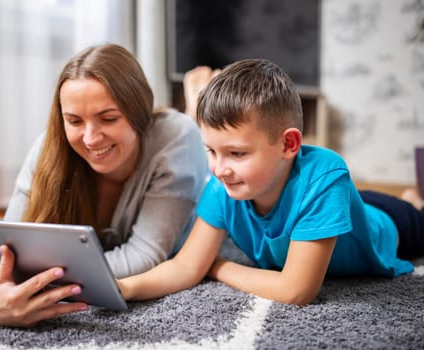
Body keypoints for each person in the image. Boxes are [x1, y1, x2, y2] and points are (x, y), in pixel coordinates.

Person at [116, 58, 424, 306]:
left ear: (289, 145)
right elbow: (185, 267)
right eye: (211, 150)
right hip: (343, 205)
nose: (219, 168)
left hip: (392, 223)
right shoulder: (222, 185)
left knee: (413, 213)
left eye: (236, 153)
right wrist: (125, 287)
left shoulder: (326, 175)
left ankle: (413, 201)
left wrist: (216, 266)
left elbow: (296, 291)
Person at [0, 43, 208, 327]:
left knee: (201, 141)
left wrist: (37, 280)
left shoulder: (175, 137)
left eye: (108, 118)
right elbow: (3, 243)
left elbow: (146, 254)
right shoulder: (49, 145)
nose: (91, 139)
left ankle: (196, 107)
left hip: (193, 171)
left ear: (140, 112)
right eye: (74, 121)